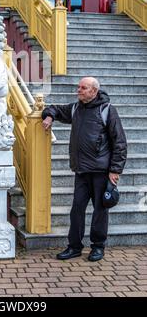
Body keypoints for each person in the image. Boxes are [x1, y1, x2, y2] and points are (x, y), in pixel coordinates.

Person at [42, 77, 127, 262]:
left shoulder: (107, 110)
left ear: (94, 91)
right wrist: (49, 115)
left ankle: (98, 247)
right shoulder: (75, 108)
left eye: (83, 88)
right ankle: (74, 247)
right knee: (77, 210)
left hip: (101, 171)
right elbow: (54, 108)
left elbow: (120, 142)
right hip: (81, 171)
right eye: (78, 87)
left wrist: (115, 170)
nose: (78, 90)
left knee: (100, 210)